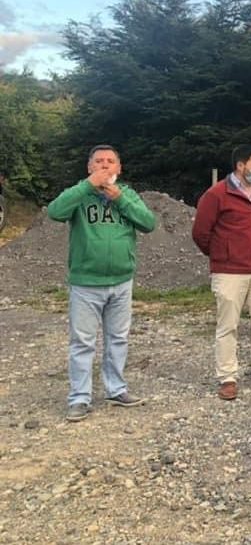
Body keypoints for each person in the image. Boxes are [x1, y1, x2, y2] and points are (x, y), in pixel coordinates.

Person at [47, 145, 156, 422]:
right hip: (86, 283)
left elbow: (148, 223)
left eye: (110, 162)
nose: (105, 166)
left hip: (121, 281)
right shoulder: (79, 195)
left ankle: (116, 389)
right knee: (82, 342)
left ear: (119, 168)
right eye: (99, 162)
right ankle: (79, 398)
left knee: (117, 339)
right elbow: (55, 212)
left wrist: (120, 199)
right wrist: (86, 186)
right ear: (89, 168)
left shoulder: (128, 195)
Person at [192, 145, 251, 400]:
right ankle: (227, 378)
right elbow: (201, 233)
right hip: (229, 271)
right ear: (240, 166)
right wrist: (222, 255)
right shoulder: (216, 195)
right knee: (228, 326)